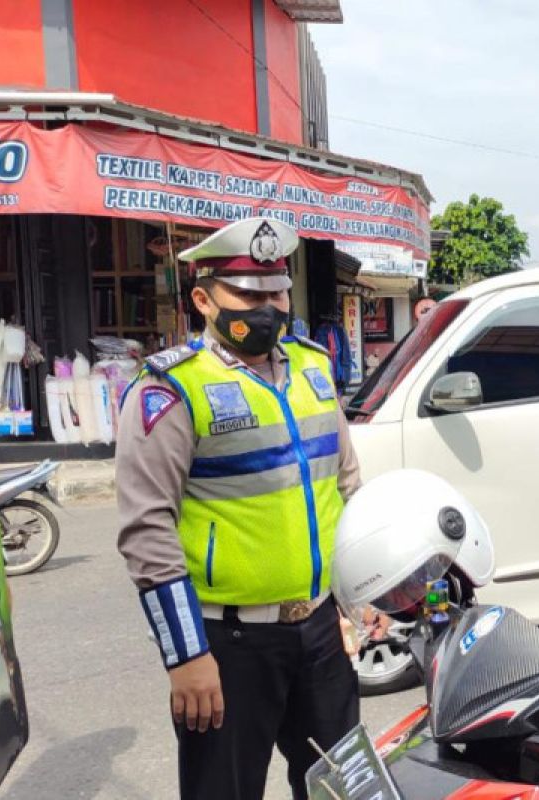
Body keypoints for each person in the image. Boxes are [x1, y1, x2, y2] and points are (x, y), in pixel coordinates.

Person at [115, 217, 363, 800]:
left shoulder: (314, 367)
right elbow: (146, 531)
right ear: (204, 300)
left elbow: (345, 486)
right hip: (228, 645)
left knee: (342, 790)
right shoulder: (170, 389)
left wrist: (355, 599)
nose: (270, 308)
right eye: (250, 295)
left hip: (322, 630)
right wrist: (187, 656)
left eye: (277, 292)